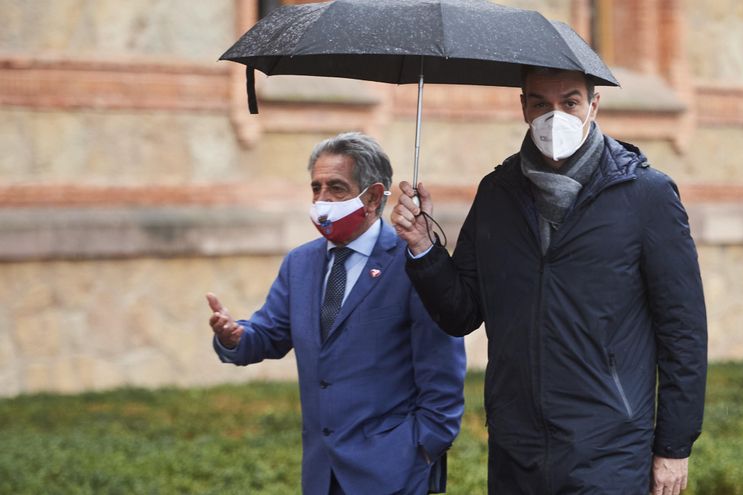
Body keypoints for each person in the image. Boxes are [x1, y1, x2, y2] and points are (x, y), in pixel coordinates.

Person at [391, 67, 708, 495]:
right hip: (516, 449)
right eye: (541, 103)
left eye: (569, 102)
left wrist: (673, 447)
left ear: (593, 106)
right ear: (523, 107)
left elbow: (683, 331)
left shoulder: (645, 195)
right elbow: (461, 313)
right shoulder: (497, 193)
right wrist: (423, 247)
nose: (554, 116)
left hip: (609, 449)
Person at [207, 132, 467, 495]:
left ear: (373, 197)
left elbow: (443, 373)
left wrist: (424, 448)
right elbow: (269, 334)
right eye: (316, 188)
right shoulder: (300, 263)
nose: (322, 200)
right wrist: (235, 336)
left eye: (337, 188)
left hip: (395, 473)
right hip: (321, 472)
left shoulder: (414, 265)